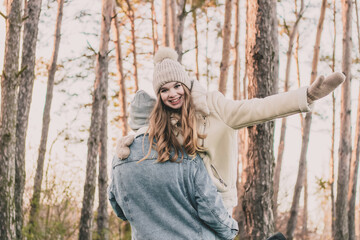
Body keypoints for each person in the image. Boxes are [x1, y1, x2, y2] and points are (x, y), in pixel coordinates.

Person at [116, 47, 345, 212]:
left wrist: (306, 96)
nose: (172, 94)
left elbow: (258, 108)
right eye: (164, 90)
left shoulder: (214, 107)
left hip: (216, 203)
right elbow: (142, 136)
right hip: (183, 205)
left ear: (186, 84)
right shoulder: (164, 122)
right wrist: (128, 141)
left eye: (177, 86)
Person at [109, 90, 239, 239]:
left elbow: (119, 208)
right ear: (160, 116)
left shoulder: (119, 160)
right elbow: (209, 207)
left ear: (133, 122)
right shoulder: (182, 154)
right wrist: (231, 229)